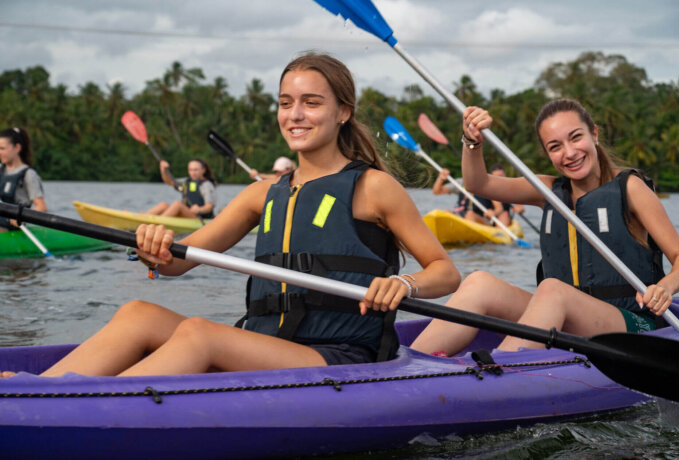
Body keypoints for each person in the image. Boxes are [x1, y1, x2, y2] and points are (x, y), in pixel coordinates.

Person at [1, 52, 459, 379]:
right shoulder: (262, 194)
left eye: (311, 102)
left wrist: (404, 283)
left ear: (343, 111)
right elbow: (177, 264)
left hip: (338, 356)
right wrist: (152, 247)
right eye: (285, 102)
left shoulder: (372, 186)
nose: (294, 115)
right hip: (268, 343)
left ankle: (76, 408)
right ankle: (39, 391)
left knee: (201, 332)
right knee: (138, 312)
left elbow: (445, 272)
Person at [411, 99, 679, 355]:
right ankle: (408, 368)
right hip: (563, 317)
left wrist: (664, 288)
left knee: (552, 290)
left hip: (632, 323)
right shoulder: (546, 190)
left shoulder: (630, 189)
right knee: (479, 283)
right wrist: (471, 140)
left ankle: (498, 373)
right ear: (548, 153)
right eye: (555, 147)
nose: (569, 153)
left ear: (594, 134)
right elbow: (478, 184)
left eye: (576, 138)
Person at [432, 164, 523, 225]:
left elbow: (499, 208)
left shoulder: (487, 186)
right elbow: (436, 192)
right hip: (462, 216)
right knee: (446, 212)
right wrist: (440, 178)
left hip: (480, 218)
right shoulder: (461, 183)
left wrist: (493, 213)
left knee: (471, 214)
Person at [0, 127, 47, 231]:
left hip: (15, 227)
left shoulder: (28, 174)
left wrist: (21, 217)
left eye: (2, 148)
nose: (0, 152)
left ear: (17, 148)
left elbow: (41, 207)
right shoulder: (0, 170)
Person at [144, 158, 217, 219]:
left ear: (203, 170)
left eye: (195, 170)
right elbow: (169, 182)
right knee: (164, 205)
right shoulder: (187, 182)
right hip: (187, 215)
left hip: (199, 218)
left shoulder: (207, 185)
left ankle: (157, 224)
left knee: (177, 204)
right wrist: (163, 170)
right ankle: (144, 217)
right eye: (190, 170)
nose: (193, 173)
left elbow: (209, 207)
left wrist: (199, 209)